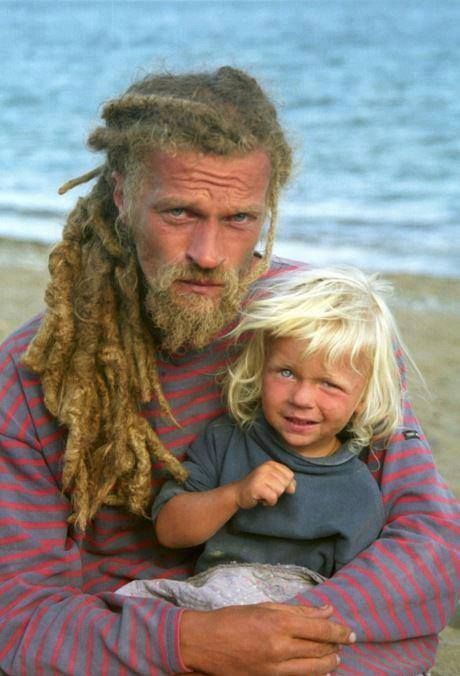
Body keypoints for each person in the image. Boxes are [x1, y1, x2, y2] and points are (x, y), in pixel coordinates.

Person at [0, 66, 457, 676]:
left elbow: (429, 542)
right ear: (121, 193)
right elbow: (19, 619)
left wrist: (278, 634)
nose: (208, 255)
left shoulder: (325, 332)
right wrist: (194, 643)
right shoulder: (35, 375)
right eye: (180, 212)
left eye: (239, 218)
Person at [119, 267, 405, 608]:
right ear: (260, 369)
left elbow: (353, 597)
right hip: (214, 601)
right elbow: (169, 531)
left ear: (361, 401)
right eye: (286, 372)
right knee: (129, 606)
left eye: (329, 384)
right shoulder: (226, 441)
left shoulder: (357, 492)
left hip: (293, 613)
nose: (302, 398)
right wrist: (234, 495)